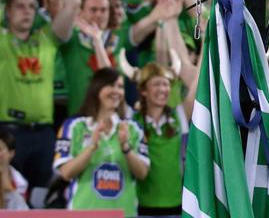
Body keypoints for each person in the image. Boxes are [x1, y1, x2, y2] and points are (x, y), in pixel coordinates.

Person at [0, 0, 80, 192]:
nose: (27, 12)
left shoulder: (47, 38)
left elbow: (74, 3)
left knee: (41, 199)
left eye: (31, 7)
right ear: (7, 12)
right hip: (8, 133)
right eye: (20, 7)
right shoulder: (2, 40)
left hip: (45, 133)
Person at [54, 68, 150, 215]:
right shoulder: (74, 126)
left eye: (120, 86)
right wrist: (91, 146)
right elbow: (66, 173)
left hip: (124, 213)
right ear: (96, 87)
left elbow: (142, 173)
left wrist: (126, 148)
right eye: (111, 85)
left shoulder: (133, 128)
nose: (116, 91)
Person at [134, 63, 192, 216]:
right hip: (142, 209)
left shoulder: (178, 116)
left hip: (176, 209)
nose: (162, 89)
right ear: (144, 90)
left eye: (166, 84)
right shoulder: (132, 120)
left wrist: (207, 42)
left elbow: (196, 85)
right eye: (156, 84)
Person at [0, 129, 28, 210]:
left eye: (0, 150)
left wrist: (4, 175)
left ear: (11, 153)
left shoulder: (20, 182)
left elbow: (22, 210)